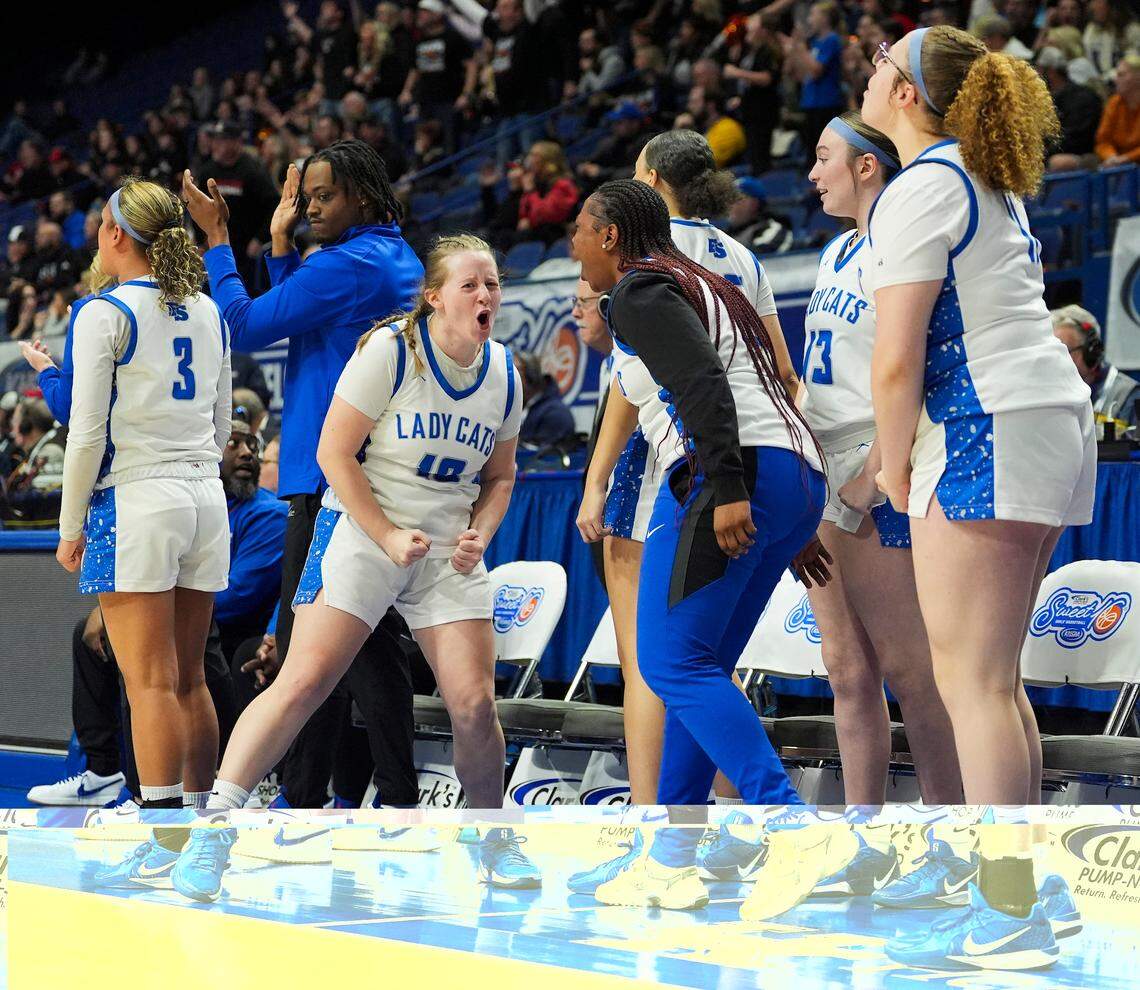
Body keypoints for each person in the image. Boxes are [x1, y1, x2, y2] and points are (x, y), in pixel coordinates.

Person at [863, 25, 1095, 969]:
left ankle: (1008, 916)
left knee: (971, 683)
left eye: (883, 63)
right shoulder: (979, 178)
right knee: (993, 681)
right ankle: (1029, 889)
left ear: (911, 95)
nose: (870, 71)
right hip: (1035, 416)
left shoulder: (922, 185)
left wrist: (887, 466)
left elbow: (896, 357)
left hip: (984, 427)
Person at [206, 234, 540, 885]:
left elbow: (502, 477)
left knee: (474, 706)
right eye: (470, 284)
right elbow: (333, 454)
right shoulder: (391, 352)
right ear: (435, 295)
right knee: (302, 684)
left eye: (493, 284)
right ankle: (214, 827)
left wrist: (483, 531)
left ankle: (495, 838)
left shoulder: (504, 372)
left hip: (444, 551)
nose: (485, 296)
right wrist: (386, 534)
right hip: (361, 532)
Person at [572, 179, 830, 907]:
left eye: (580, 235)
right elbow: (775, 380)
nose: (575, 252)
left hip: (738, 470)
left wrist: (730, 488)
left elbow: (705, 386)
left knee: (668, 661)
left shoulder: (639, 291)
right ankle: (673, 854)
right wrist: (788, 516)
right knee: (698, 664)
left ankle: (791, 824)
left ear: (612, 237)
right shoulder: (710, 283)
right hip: (793, 473)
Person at [181, 139, 424, 818]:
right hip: (354, 474)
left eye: (325, 196)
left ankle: (329, 797)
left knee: (318, 650)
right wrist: (282, 242)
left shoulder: (350, 264)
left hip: (331, 481)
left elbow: (244, 324)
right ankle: (329, 796)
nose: (312, 205)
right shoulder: (383, 256)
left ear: (365, 199)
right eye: (308, 194)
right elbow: (299, 310)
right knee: (354, 648)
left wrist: (220, 239)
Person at [54, 177, 231, 818]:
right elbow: (223, 423)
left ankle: (161, 838)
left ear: (113, 236)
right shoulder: (208, 308)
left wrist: (71, 526)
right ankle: (199, 825)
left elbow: (85, 437)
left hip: (138, 497)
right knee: (190, 678)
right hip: (206, 497)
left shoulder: (102, 312)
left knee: (148, 681)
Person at [798, 111, 961, 807]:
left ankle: (951, 831)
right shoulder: (836, 251)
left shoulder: (899, 245)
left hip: (875, 458)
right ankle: (862, 831)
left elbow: (916, 367)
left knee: (911, 671)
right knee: (845, 667)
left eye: (823, 156)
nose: (811, 173)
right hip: (824, 464)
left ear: (867, 166)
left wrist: (873, 476)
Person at [25, 416, 284, 808]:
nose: (247, 453)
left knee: (151, 677)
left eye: (253, 446)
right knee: (142, 659)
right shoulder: (217, 492)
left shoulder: (266, 513)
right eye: (236, 444)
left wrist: (70, 526)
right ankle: (119, 778)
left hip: (143, 489)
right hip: (195, 491)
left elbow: (86, 426)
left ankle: (160, 816)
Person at [195, 121, 280, 283]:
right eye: (216, 140)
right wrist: (201, 240)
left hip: (246, 248)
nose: (216, 145)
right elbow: (197, 207)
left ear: (237, 142)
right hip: (217, 245)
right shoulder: (208, 171)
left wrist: (260, 239)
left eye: (223, 140)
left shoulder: (253, 170)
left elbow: (274, 205)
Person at [1052, 304, 1139, 433]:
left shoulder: (1129, 397)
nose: (1056, 362)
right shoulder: (1052, 393)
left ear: (1092, 353)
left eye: (1065, 352)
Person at [514, 350, 576, 447]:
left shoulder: (556, 414)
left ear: (531, 375)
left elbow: (544, 458)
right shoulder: (519, 407)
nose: (509, 377)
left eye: (516, 371)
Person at [1094, 55, 1140, 167]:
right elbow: (1102, 142)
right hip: (1119, 164)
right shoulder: (1114, 103)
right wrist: (1112, 157)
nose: (1115, 79)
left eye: (1121, 75)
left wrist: (1126, 158)